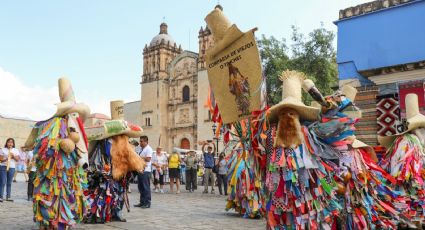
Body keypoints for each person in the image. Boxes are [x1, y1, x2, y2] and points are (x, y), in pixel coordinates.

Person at [0, 138, 20, 202]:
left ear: (13, 144)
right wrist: (7, 157)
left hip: (12, 167)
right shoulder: (3, 149)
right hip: (3, 167)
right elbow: (1, 159)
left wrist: (13, 156)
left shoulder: (15, 150)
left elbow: (17, 159)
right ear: (6, 143)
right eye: (9, 142)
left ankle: (8, 197)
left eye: (11, 142)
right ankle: (1, 197)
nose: (10, 143)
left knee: (9, 183)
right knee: (3, 182)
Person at [135, 135, 153, 208]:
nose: (140, 142)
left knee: (146, 187)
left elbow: (148, 159)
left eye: (142, 141)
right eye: (140, 141)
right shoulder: (141, 149)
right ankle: (142, 202)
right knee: (141, 187)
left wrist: (139, 157)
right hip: (140, 170)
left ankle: (147, 202)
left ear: (146, 142)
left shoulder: (148, 149)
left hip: (146, 171)